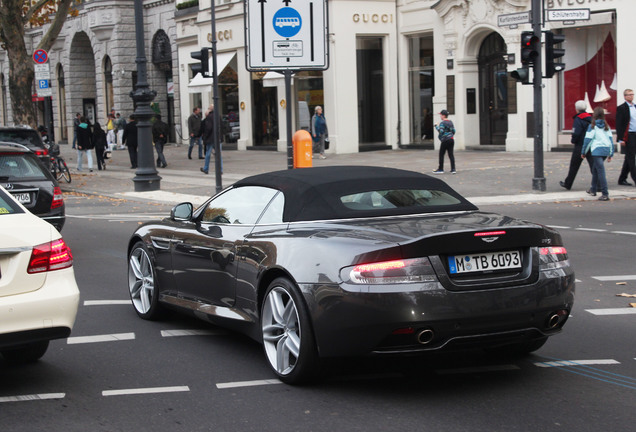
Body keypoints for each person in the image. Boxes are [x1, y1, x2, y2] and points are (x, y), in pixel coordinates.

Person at [582, 106, 614, 201]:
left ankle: (605, 193)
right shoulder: (606, 126)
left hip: (596, 151)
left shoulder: (592, 126)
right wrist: (611, 153)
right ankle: (593, 189)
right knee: (595, 169)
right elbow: (611, 140)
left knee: (600, 171)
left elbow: (587, 140)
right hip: (605, 150)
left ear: (594, 115)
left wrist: (583, 152)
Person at [560, 100, 593, 190]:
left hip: (580, 145)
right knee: (593, 166)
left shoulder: (578, 119)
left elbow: (576, 132)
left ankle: (568, 183)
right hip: (590, 145)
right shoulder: (591, 118)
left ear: (576, 109)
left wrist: (573, 140)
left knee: (574, 165)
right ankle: (598, 184)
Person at [616, 88, 636, 186]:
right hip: (628, 135)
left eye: (632, 94)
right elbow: (619, 124)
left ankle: (622, 178)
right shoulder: (621, 108)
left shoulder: (635, 107)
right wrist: (620, 138)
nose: (631, 96)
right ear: (625, 96)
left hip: (635, 133)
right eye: (629, 94)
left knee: (628, 157)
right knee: (631, 157)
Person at [433, 109, 456, 174]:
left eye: (441, 115)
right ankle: (453, 169)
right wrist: (450, 135)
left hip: (445, 140)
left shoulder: (442, 123)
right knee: (451, 154)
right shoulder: (450, 122)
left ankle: (441, 169)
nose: (440, 116)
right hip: (451, 139)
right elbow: (454, 131)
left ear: (443, 116)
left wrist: (436, 126)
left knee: (441, 154)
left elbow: (441, 131)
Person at [201, 104, 216, 174]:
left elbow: (208, 129)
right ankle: (220, 169)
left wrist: (205, 138)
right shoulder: (217, 116)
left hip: (210, 138)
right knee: (218, 154)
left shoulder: (209, 118)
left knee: (208, 153)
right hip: (216, 138)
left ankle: (206, 168)